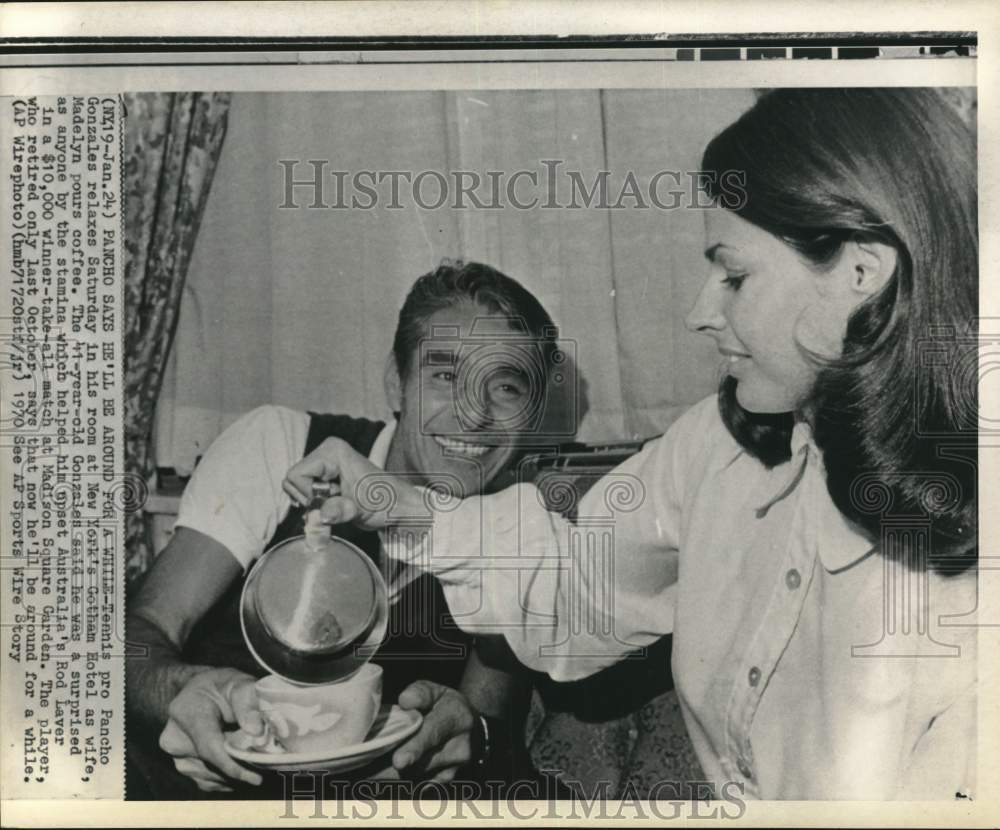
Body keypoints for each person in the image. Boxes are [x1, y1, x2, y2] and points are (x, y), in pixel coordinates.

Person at [284, 89, 979, 800]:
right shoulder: (716, 448)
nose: (699, 312)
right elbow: (572, 579)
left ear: (863, 274)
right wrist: (392, 503)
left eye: (734, 276)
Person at [125, 260, 565, 798]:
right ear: (395, 383)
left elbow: (489, 731)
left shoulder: (514, 544)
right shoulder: (282, 443)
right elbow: (142, 630)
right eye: (447, 376)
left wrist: (473, 738)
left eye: (506, 387)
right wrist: (183, 687)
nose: (474, 415)